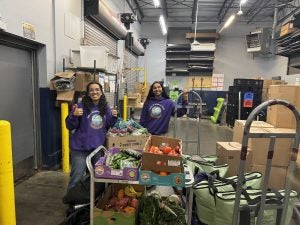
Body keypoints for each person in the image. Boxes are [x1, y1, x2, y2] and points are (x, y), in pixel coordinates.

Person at [65, 81, 118, 190]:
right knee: (77, 177)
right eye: (91, 90)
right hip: (80, 149)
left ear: (101, 92)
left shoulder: (105, 108)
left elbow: (110, 125)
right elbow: (69, 126)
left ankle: (90, 202)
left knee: (96, 177)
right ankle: (71, 202)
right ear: (88, 93)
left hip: (97, 150)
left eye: (97, 90)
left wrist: (114, 116)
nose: (94, 92)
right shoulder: (81, 106)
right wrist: (73, 116)